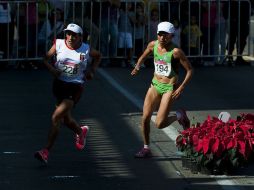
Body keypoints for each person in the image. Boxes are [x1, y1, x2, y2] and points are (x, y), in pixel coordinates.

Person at [34, 23, 101, 164]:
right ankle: (80, 131)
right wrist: (52, 69)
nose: (70, 37)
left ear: (80, 37)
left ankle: (45, 151)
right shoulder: (59, 44)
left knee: (56, 117)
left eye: (74, 35)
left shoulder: (86, 49)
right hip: (59, 85)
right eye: (68, 34)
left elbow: (98, 56)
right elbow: (45, 59)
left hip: (75, 88)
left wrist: (92, 70)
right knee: (65, 119)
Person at [131, 21, 193, 158]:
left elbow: (189, 70)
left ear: (172, 36)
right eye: (160, 34)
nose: (162, 38)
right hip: (154, 85)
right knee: (145, 118)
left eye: (165, 35)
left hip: (169, 88)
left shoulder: (176, 52)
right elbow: (144, 54)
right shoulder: (153, 45)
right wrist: (137, 66)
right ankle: (146, 148)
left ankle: (179, 116)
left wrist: (181, 87)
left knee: (159, 123)